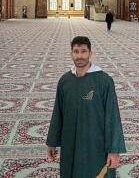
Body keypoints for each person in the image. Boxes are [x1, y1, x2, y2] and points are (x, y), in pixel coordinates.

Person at [47, 36, 126, 178]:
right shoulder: (65, 81)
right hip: (70, 143)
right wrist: (52, 142)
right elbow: (57, 114)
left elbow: (112, 117)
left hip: (96, 146)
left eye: (83, 51)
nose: (79, 56)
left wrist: (114, 150)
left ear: (90, 53)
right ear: (71, 54)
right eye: (76, 51)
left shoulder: (104, 81)